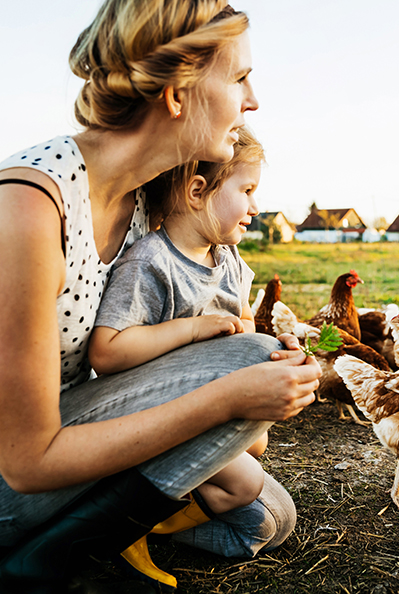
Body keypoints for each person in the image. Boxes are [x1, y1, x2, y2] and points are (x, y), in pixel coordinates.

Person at [0, 0, 320, 594]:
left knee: (264, 519)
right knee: (249, 366)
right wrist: (229, 401)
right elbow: (25, 460)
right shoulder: (30, 208)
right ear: (177, 92)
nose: (252, 99)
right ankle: (24, 570)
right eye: (238, 77)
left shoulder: (144, 204)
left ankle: (71, 542)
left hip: (67, 426)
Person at [90, 126, 269, 586]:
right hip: (153, 416)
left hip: (203, 409)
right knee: (245, 485)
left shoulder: (230, 262)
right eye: (247, 190)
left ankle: (146, 526)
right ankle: (124, 530)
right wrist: (191, 330)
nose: (255, 206)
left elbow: (246, 324)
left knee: (257, 458)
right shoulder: (150, 263)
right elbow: (107, 350)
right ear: (196, 191)